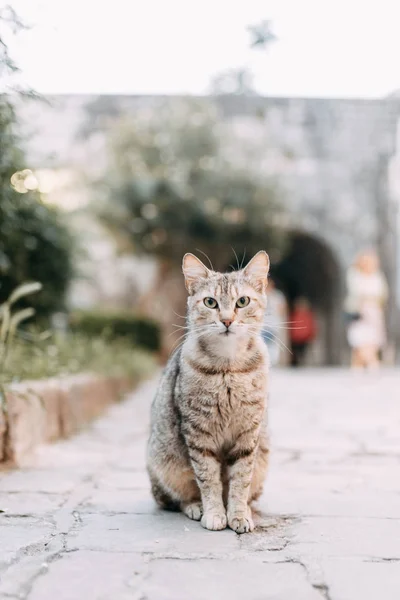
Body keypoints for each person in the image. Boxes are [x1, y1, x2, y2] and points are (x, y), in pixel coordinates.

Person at [345, 250, 388, 370]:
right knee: (360, 340)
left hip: (374, 313)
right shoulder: (354, 275)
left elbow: (383, 294)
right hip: (360, 312)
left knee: (372, 340)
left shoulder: (378, 276)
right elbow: (356, 292)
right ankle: (372, 363)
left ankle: (362, 366)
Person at [262, 277, 288, 366]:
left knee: (272, 345)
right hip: (262, 325)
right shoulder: (260, 295)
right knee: (262, 344)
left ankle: (271, 362)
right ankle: (265, 362)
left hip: (273, 325)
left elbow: (282, 310)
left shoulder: (277, 296)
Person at [289, 297, 317, 367]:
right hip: (296, 338)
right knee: (295, 352)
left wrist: (311, 335)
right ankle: (296, 364)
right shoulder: (295, 314)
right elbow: (292, 325)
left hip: (304, 338)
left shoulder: (308, 315)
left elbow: (311, 325)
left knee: (303, 352)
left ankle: (302, 364)